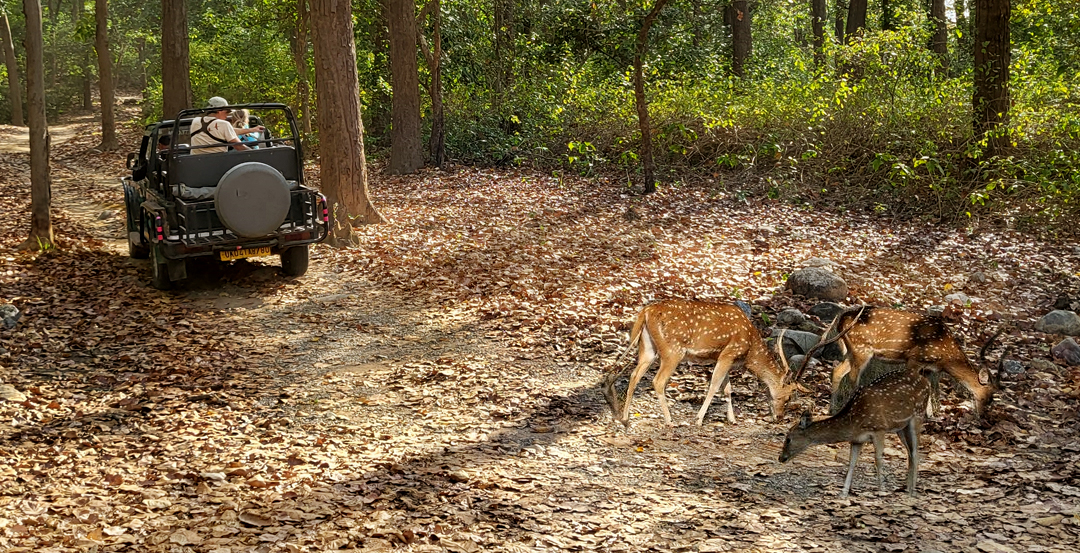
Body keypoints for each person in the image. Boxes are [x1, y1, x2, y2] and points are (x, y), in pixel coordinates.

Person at [189, 97, 264, 154]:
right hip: (218, 164)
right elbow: (240, 146)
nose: (227, 115)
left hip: (196, 163)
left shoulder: (195, 121)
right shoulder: (224, 124)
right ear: (219, 111)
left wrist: (252, 130)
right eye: (227, 112)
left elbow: (225, 132)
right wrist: (255, 154)